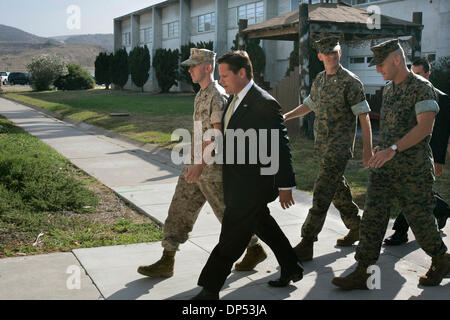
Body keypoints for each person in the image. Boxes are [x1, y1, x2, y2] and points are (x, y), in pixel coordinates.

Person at [137, 49, 266, 279]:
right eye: (189, 66)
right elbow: (199, 132)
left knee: (228, 215)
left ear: (208, 67)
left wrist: (200, 164)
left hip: (214, 169)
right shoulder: (200, 94)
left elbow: (218, 135)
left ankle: (254, 248)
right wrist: (193, 162)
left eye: (193, 66)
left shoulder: (217, 95)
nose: (189, 70)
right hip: (197, 163)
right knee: (179, 209)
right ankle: (167, 259)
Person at [332, 39, 449, 290]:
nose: (377, 69)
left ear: (397, 59)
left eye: (381, 64)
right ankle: (362, 270)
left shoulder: (421, 88)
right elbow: (392, 128)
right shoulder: (389, 89)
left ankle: (441, 258)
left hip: (413, 170)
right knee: (373, 216)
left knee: (420, 220)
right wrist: (380, 148)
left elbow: (425, 127)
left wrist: (393, 149)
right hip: (385, 168)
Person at [192, 51, 303, 300]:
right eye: (219, 76)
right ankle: (291, 266)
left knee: (230, 239)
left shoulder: (264, 102)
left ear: (242, 73)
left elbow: (280, 147)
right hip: (237, 182)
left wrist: (285, 185)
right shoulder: (235, 98)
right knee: (263, 225)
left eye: (225, 76)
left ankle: (210, 289)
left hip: (253, 185)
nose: (221, 81)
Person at [283, 36, 373, 261]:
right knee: (337, 188)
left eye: (335, 52)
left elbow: (364, 116)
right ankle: (357, 227)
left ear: (340, 54)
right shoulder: (320, 79)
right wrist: (286, 116)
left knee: (322, 192)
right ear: (320, 56)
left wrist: (367, 149)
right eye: (327, 53)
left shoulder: (351, 82)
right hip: (322, 146)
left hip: (339, 148)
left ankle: (307, 241)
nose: (332, 56)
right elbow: (309, 105)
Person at [384, 57, 450, 246]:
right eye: (413, 73)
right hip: (407, 152)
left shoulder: (441, 99)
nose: (415, 77)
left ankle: (401, 232)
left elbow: (441, 133)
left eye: (419, 74)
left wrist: (438, 161)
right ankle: (442, 209)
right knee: (416, 192)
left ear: (428, 74)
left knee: (411, 192)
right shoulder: (409, 94)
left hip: (425, 155)